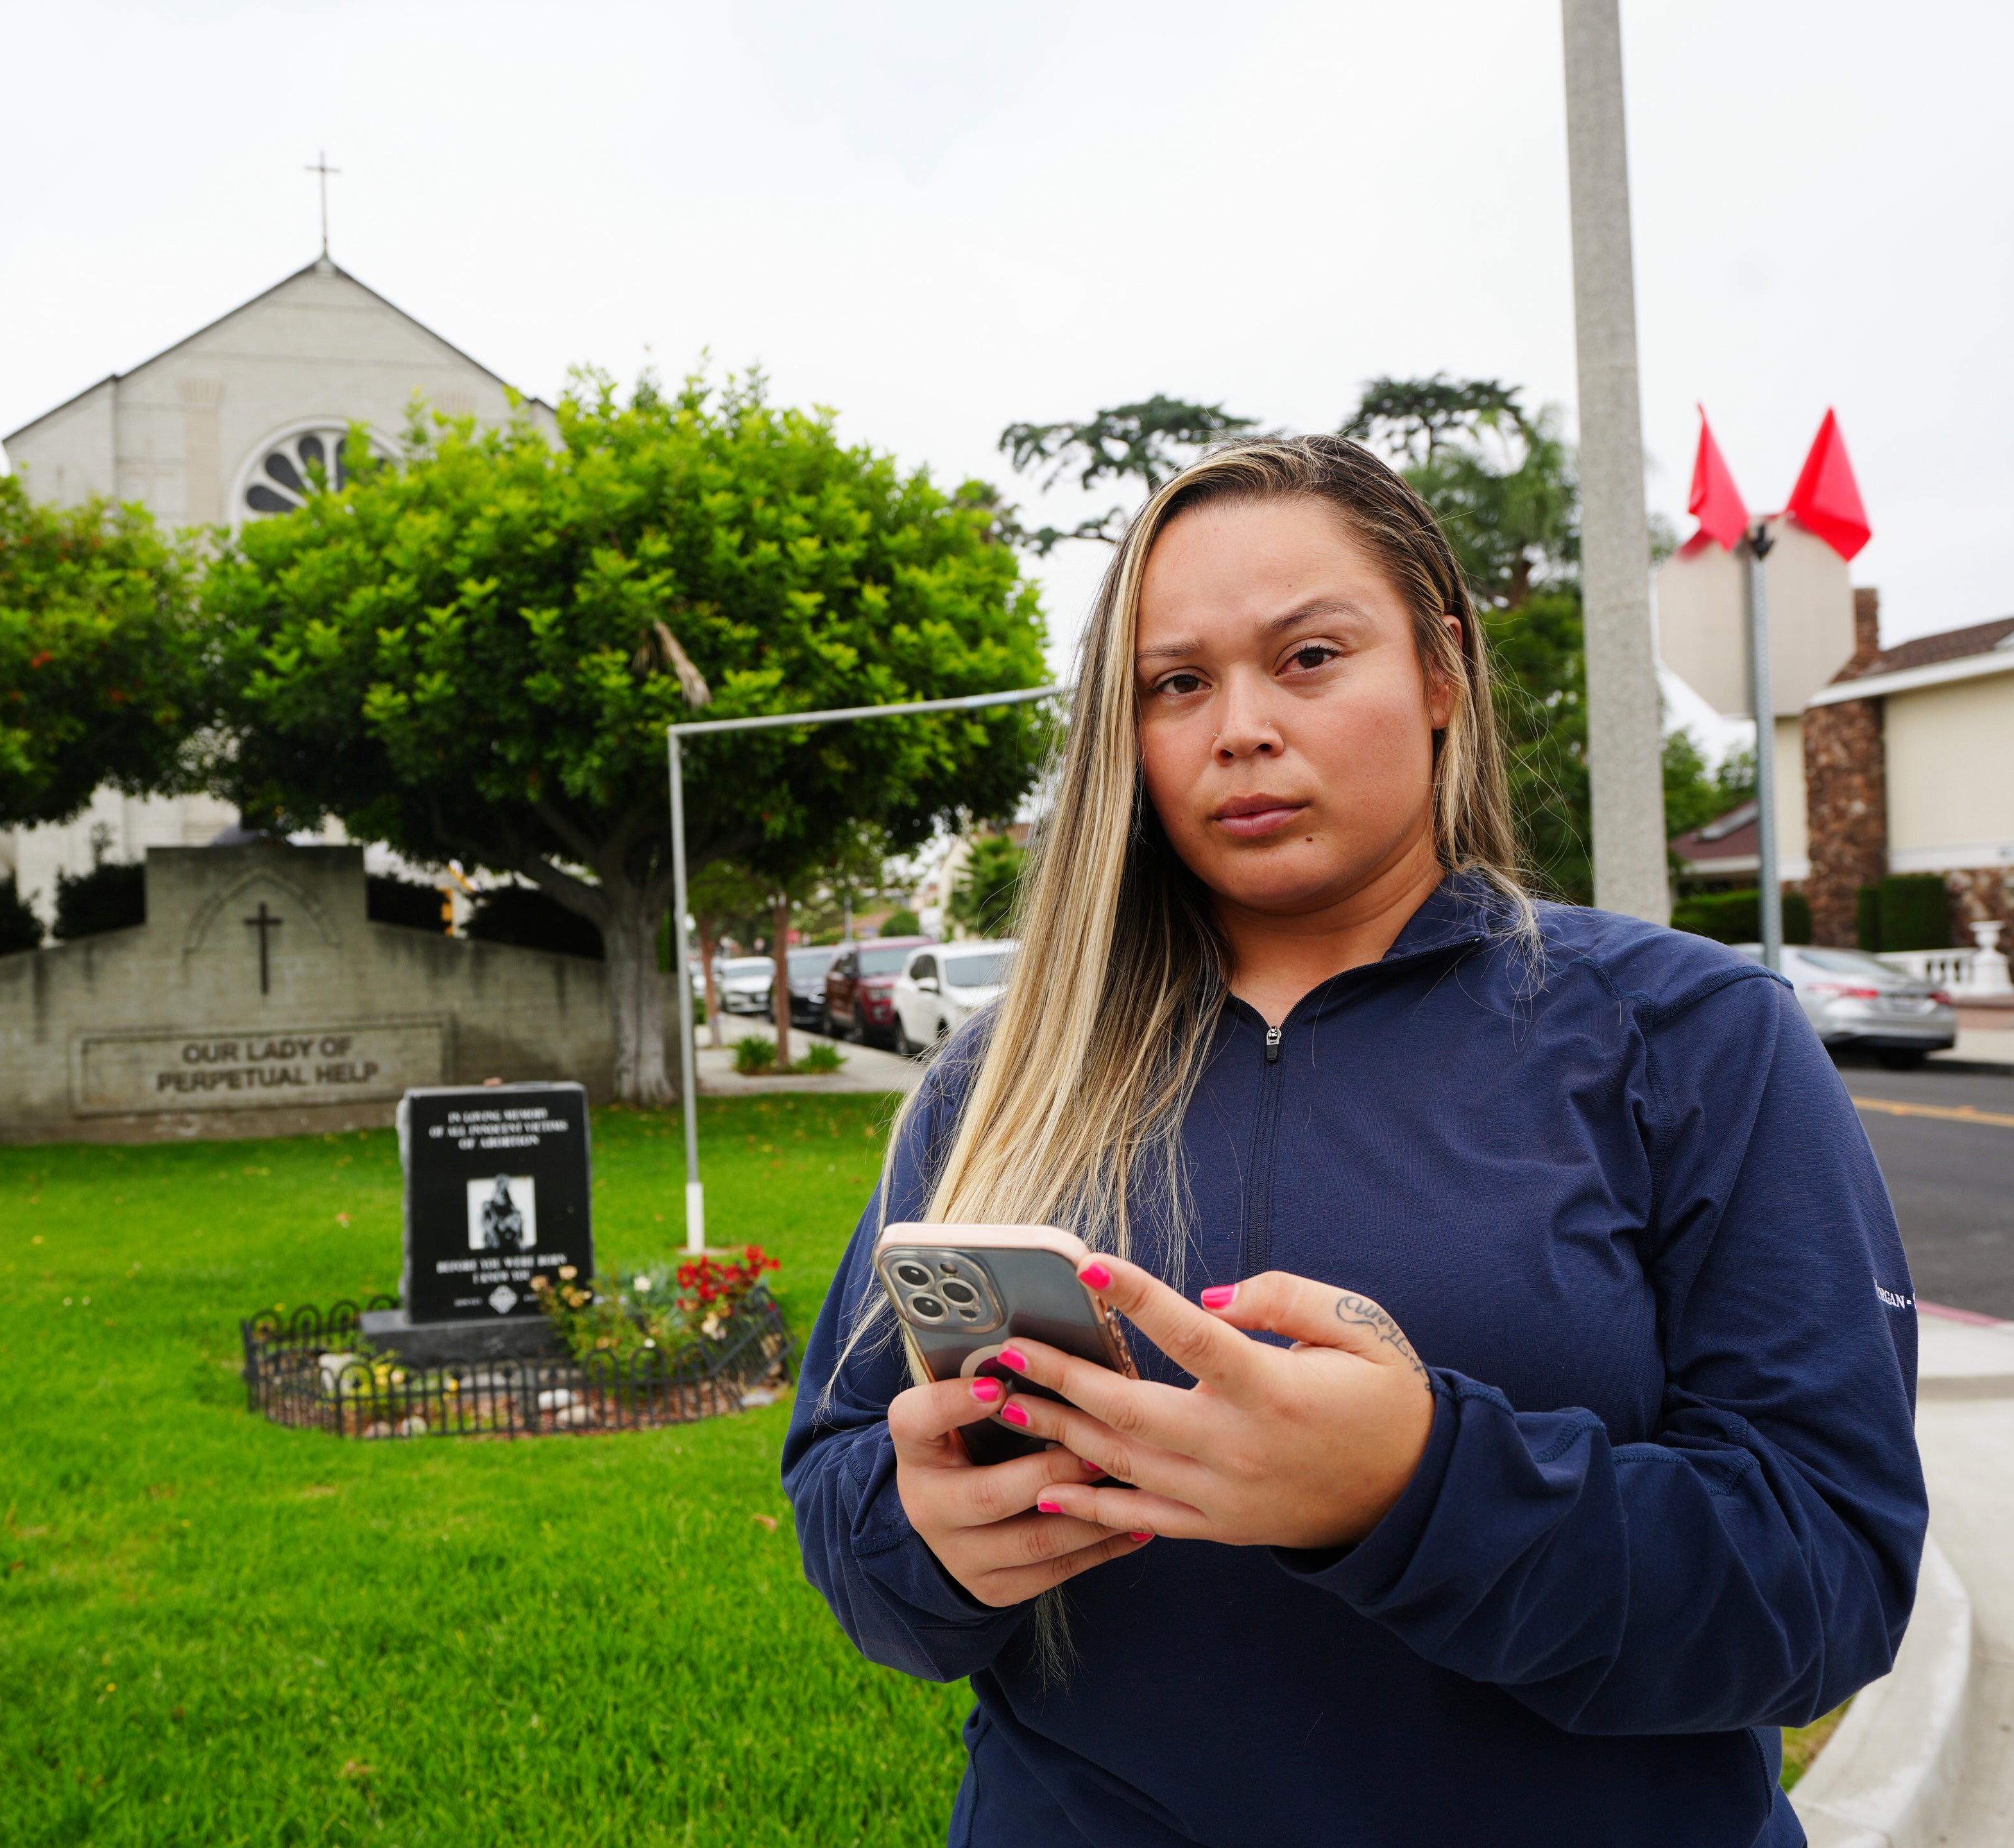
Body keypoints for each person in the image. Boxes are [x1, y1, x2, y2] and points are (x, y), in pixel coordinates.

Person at [781, 435, 1925, 1848]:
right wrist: (926, 1541)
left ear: (1439, 672)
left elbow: (1829, 1582)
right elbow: (841, 1492)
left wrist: (1420, 1490)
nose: (1240, 728)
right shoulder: (999, 1077)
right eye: (1176, 684)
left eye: (1310, 656)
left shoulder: (1690, 1038)